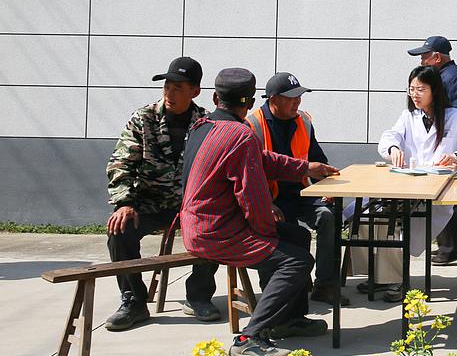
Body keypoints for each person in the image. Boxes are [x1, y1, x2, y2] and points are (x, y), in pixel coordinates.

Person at [180, 68, 339, 356]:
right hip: (216, 231)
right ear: (252, 102)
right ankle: (248, 338)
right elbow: (252, 198)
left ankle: (288, 320)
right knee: (296, 261)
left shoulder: (202, 125)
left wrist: (305, 167)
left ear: (216, 98)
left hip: (201, 223)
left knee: (299, 236)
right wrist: (267, 236)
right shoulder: (241, 134)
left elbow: (262, 158)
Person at [352, 65, 457, 302]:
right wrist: (393, 148)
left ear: (435, 90)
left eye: (421, 89)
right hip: (407, 187)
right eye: (411, 89)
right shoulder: (408, 117)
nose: (414, 94)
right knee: (370, 213)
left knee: (397, 221)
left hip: (437, 193)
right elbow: (389, 137)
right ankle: (383, 276)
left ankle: (392, 279)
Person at [104, 56, 219, 331]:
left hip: (190, 206)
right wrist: (124, 203)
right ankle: (134, 300)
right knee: (119, 230)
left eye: (179, 87)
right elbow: (121, 163)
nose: (170, 93)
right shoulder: (143, 119)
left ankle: (199, 295)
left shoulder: (206, 124)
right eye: (167, 86)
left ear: (195, 91)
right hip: (149, 203)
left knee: (218, 223)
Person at [245, 72, 348, 307]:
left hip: (301, 194)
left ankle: (325, 285)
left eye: (299, 96)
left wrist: (326, 187)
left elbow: (317, 161)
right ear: (273, 99)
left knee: (328, 216)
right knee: (280, 227)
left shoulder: (304, 121)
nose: (297, 102)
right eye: (291, 98)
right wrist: (265, 204)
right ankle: (280, 290)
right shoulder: (253, 125)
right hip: (271, 199)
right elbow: (249, 175)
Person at [407, 35, 457, 265]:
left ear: (437, 57)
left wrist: (454, 147)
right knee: (444, 200)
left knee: (448, 201)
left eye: (425, 56)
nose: (422, 61)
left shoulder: (453, 78)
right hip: (446, 151)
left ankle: (450, 249)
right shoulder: (444, 75)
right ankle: (448, 248)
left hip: (452, 150)